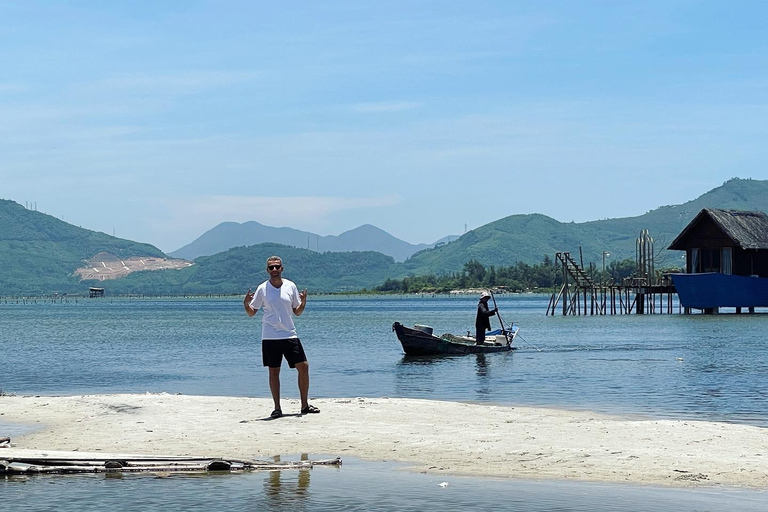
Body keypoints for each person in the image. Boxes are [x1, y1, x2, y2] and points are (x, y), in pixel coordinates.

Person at [244, 255, 319, 419]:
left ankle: (304, 405)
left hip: (289, 334)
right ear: (267, 270)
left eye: (277, 267)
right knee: (274, 371)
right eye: (271, 267)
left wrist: (304, 302)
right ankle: (277, 408)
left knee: (303, 367)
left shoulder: (290, 286)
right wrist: (245, 304)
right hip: (270, 336)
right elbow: (252, 312)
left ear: (282, 268)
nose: (274, 270)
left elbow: (297, 311)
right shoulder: (262, 289)